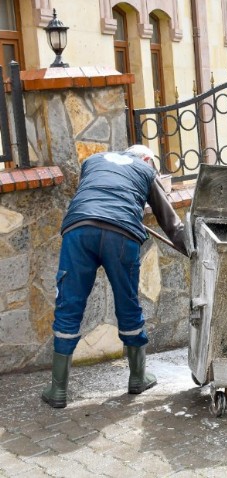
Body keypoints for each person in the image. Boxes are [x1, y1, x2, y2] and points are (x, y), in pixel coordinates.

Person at [41, 145, 189, 408]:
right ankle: (138, 378)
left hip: (78, 230)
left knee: (69, 305)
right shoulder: (145, 169)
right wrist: (191, 250)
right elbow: (170, 222)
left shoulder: (93, 160)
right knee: (127, 303)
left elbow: (92, 194)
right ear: (146, 159)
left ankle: (58, 390)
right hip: (121, 235)